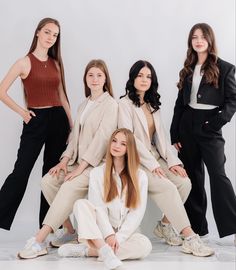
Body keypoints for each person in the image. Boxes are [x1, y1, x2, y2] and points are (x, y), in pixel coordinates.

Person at [18, 59, 118, 259]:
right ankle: (70, 231)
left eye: (99, 75)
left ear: (106, 79)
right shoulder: (83, 105)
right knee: (48, 181)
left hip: (95, 165)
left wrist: (80, 169)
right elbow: (73, 139)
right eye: (90, 75)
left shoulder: (110, 104)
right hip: (75, 162)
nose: (95, 79)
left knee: (68, 185)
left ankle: (39, 240)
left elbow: (101, 140)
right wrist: (64, 161)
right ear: (85, 79)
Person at [118, 60, 214, 256]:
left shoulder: (152, 104)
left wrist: (173, 162)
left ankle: (164, 225)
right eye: (140, 76)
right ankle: (190, 237)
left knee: (184, 182)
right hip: (137, 159)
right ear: (132, 78)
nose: (144, 80)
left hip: (154, 155)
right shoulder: (123, 104)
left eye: (148, 76)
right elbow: (131, 140)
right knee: (168, 187)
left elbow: (161, 137)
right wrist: (153, 166)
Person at [0, 17, 72, 229]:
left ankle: (49, 227)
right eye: (48, 32)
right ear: (38, 33)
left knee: (51, 174)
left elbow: (61, 95)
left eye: (55, 35)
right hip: (36, 120)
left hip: (58, 120)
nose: (51, 38)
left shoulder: (55, 63)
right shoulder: (24, 62)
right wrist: (22, 112)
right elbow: (1, 91)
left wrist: (72, 125)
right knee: (21, 171)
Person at [170, 23, 236, 241]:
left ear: (210, 40)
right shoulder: (188, 68)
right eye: (194, 37)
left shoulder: (225, 67)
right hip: (187, 125)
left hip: (210, 125)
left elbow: (232, 101)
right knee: (193, 178)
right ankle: (197, 230)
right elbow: (180, 103)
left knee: (218, 176)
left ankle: (233, 229)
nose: (198, 41)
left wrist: (215, 123)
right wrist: (175, 133)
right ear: (191, 41)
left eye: (203, 37)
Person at [57, 128, 152, 269]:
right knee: (80, 204)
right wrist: (108, 236)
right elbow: (98, 208)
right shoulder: (97, 173)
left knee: (145, 246)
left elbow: (137, 213)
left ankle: (90, 251)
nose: (116, 145)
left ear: (129, 148)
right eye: (114, 141)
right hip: (100, 232)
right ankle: (106, 252)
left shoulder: (140, 176)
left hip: (126, 235)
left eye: (123, 144)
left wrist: (117, 238)